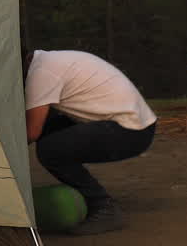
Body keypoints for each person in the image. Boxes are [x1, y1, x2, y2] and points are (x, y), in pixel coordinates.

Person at [23, 49, 157, 235]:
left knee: (50, 150)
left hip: (130, 131)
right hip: (138, 124)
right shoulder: (50, 60)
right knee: (50, 127)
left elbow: (32, 132)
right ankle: (86, 199)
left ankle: (103, 206)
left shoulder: (41, 73)